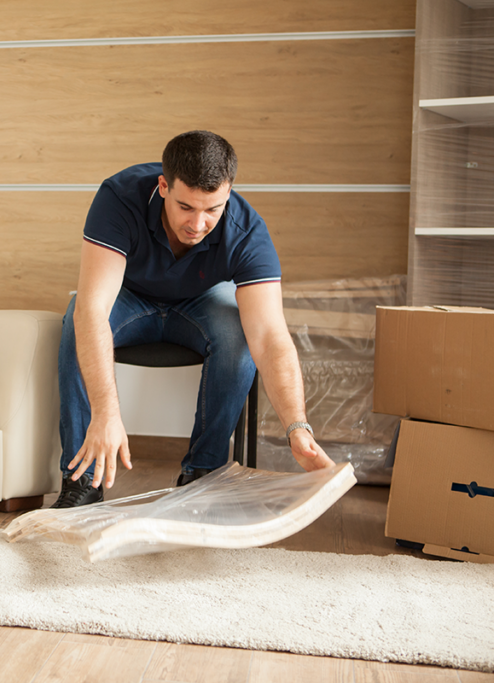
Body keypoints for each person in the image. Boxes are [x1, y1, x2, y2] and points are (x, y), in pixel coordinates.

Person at [52, 130, 335, 509]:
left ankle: (202, 477)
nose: (198, 224)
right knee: (78, 320)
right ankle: (82, 482)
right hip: (128, 295)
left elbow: (270, 337)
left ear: (228, 194)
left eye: (212, 210)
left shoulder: (247, 231)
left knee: (241, 338)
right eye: (186, 207)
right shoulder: (119, 197)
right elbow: (93, 308)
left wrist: (297, 428)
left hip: (200, 302)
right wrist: (106, 413)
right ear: (164, 186)